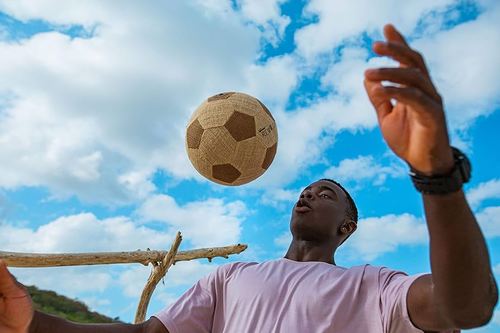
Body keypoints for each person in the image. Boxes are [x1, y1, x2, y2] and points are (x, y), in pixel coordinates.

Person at [0, 24, 498, 333]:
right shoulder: (232, 277)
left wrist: (437, 176)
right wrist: (36, 324)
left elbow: (469, 308)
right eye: (306, 189)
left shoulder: (375, 288)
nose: (308, 193)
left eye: (325, 194)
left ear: (346, 228)